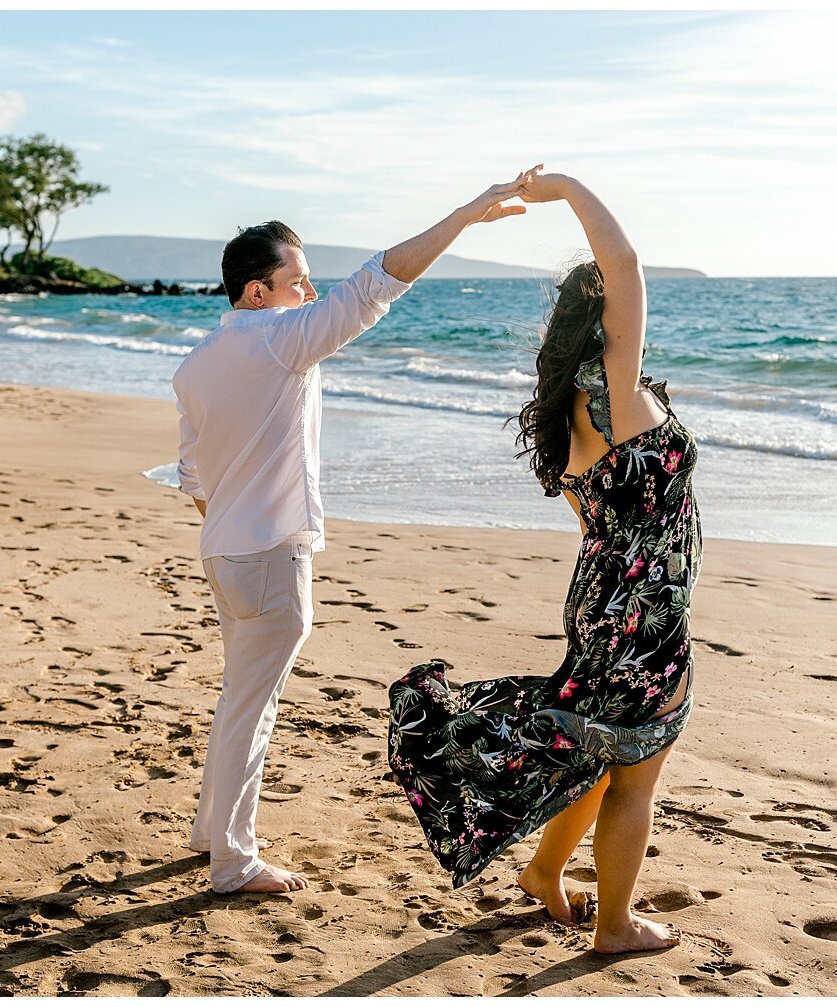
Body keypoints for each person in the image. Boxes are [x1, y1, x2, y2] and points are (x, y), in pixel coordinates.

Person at [173, 171, 532, 895]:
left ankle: (213, 832)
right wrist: (462, 214)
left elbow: (193, 480)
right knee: (252, 704)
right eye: (297, 280)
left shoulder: (197, 364)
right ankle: (232, 859)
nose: (309, 293)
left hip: (224, 552)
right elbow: (374, 284)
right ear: (256, 294)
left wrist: (234, 528)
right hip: (270, 557)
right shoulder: (280, 342)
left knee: (239, 696)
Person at [387, 166, 701, 954]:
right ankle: (615, 925)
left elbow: (602, 518)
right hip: (644, 610)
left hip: (602, 594)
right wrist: (568, 187)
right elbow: (624, 264)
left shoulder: (565, 417)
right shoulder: (617, 391)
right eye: (622, 304)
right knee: (637, 766)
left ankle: (544, 871)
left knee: (602, 742)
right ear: (604, 317)